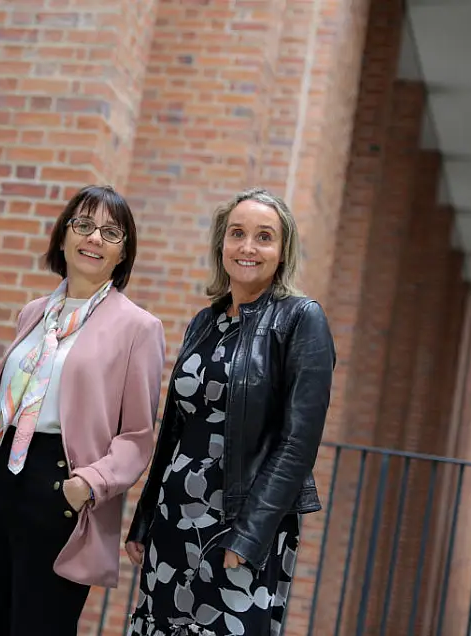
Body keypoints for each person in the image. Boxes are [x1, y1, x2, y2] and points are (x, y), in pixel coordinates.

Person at [0, 185, 166, 636]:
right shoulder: (35, 313)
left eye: (110, 232)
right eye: (83, 225)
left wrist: (86, 485)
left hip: (60, 492)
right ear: (63, 237)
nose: (94, 238)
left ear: (124, 253)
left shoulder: (138, 328)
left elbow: (137, 436)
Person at [125, 187, 336, 636]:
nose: (248, 247)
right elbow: (175, 429)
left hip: (237, 528)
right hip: (174, 516)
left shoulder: (301, 320)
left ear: (282, 252)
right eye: (237, 233)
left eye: (264, 237)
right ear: (221, 243)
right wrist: (145, 517)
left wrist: (249, 535)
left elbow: (298, 443)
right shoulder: (205, 322)